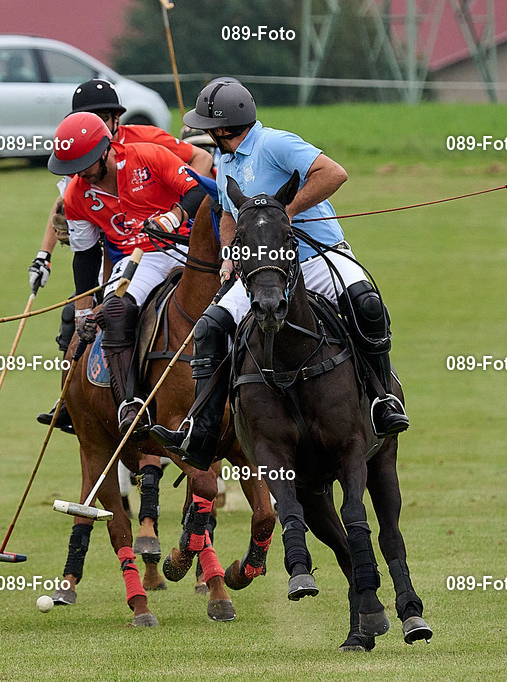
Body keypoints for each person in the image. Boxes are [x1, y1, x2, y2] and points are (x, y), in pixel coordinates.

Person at [150, 79, 409, 470]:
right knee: (210, 327)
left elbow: (333, 173)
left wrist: (287, 210)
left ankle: (381, 400)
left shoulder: (275, 143)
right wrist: (229, 256)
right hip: (261, 270)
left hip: (317, 255)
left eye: (208, 125)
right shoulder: (225, 162)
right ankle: (201, 430)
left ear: (224, 128)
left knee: (366, 304)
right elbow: (226, 213)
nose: (205, 131)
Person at [33, 79, 214, 429]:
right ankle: (130, 402)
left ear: (104, 149)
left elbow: (196, 192)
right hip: (142, 257)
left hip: (189, 246)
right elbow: (84, 255)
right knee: (114, 310)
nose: (80, 174)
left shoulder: (148, 153)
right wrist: (85, 311)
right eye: (73, 167)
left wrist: (172, 215)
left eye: (85, 164)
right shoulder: (77, 194)